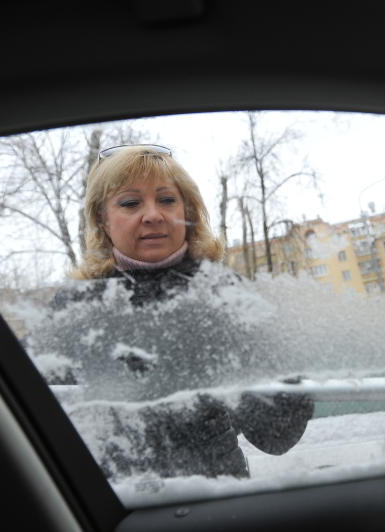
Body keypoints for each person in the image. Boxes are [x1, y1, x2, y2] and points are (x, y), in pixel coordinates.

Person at [49, 144, 313, 480]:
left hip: (216, 500)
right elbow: (32, 419)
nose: (154, 215)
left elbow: (279, 435)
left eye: (167, 199)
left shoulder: (221, 290)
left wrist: (233, 366)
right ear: (102, 218)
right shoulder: (76, 304)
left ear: (186, 209)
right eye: (130, 203)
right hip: (114, 505)